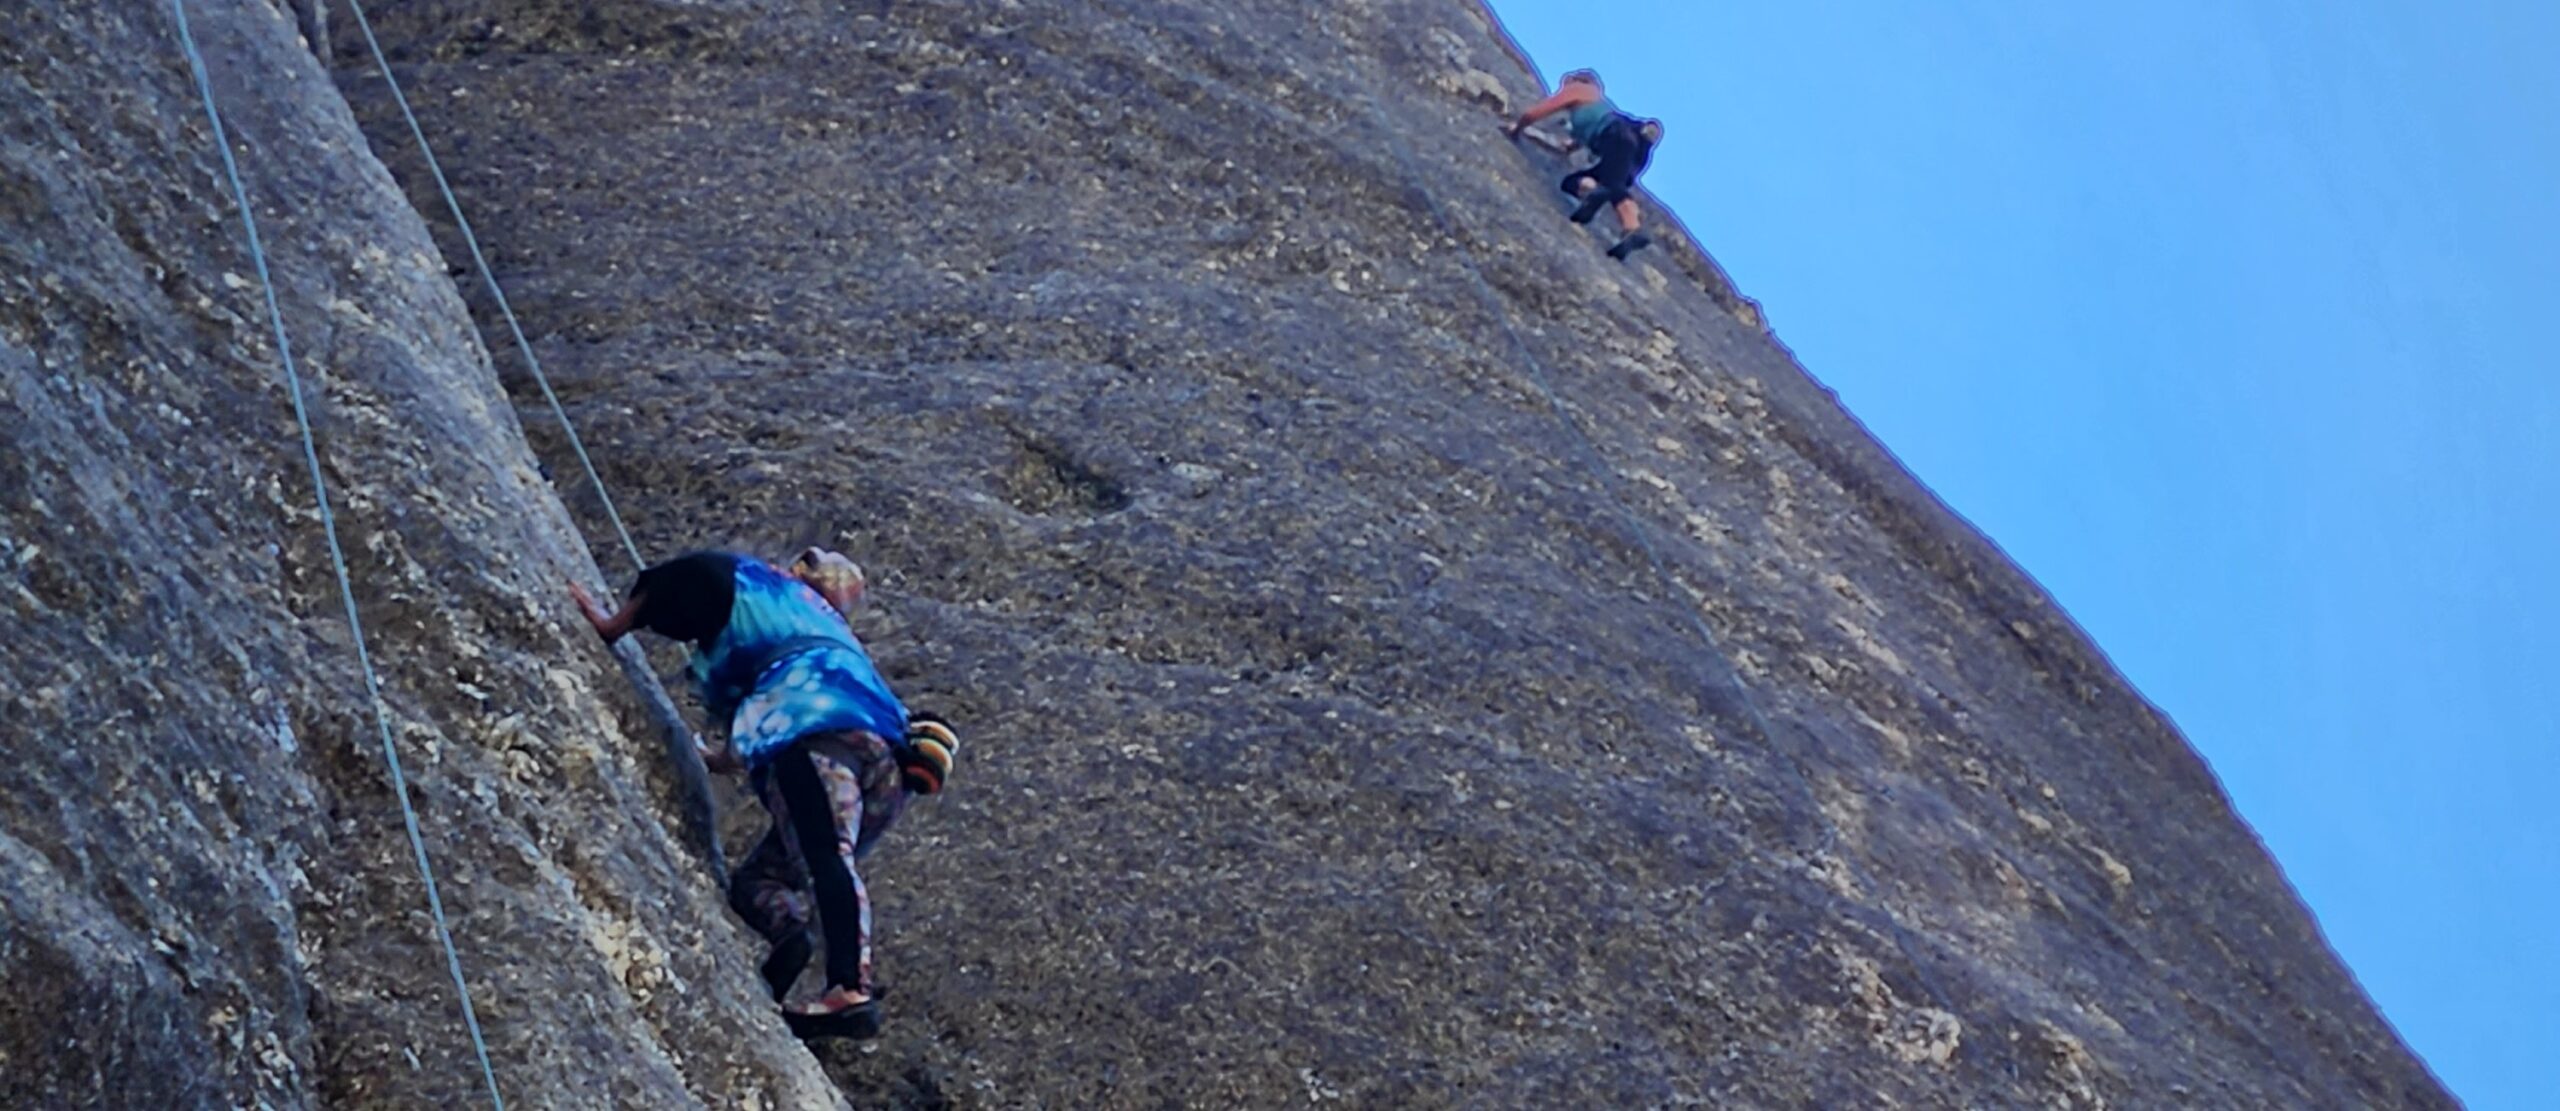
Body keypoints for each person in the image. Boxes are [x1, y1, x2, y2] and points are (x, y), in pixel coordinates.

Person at [569, 548, 959, 1041]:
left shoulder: (765, 586)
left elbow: (697, 573)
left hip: (814, 731)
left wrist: (613, 625)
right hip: (886, 772)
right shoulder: (835, 635)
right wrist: (717, 760)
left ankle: (849, 988)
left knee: (827, 855)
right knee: (761, 881)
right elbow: (761, 702)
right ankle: (789, 932)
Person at [1505, 69, 1665, 261]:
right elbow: (1569, 146)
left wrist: (1518, 128)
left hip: (1616, 137)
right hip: (1631, 151)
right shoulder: (1594, 111)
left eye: (1564, 84)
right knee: (1574, 183)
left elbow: (1537, 112)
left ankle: (1628, 222)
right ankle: (1604, 203)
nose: (1561, 89)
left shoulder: (1581, 90)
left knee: (1613, 184)